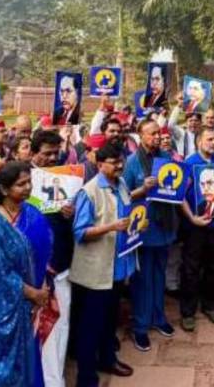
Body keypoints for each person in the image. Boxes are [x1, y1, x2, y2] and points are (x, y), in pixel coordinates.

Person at [70, 142, 137, 386]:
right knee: (91, 325)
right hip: (96, 270)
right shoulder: (89, 191)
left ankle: (108, 359)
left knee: (110, 320)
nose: (120, 165)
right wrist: (112, 226)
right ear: (99, 165)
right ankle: (86, 377)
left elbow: (126, 214)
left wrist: (135, 226)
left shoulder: (121, 184)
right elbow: (80, 232)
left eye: (121, 161)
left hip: (117, 267)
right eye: (114, 162)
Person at [0, 162, 51, 387]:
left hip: (33, 303)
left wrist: (43, 288)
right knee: (7, 370)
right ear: (5, 189)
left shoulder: (33, 213)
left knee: (31, 360)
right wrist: (32, 293)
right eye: (20, 184)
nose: (28, 188)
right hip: (6, 309)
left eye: (29, 182)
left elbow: (46, 251)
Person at [123, 119, 174, 352]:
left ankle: (159, 317)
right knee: (142, 279)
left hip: (164, 226)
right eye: (151, 134)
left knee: (159, 275)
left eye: (158, 133)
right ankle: (141, 326)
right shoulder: (132, 163)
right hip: (143, 227)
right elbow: (124, 196)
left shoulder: (166, 157)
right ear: (140, 135)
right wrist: (142, 189)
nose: (156, 137)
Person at [30, 130, 74, 387]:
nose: (51, 158)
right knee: (36, 331)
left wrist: (69, 213)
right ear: (34, 152)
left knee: (60, 326)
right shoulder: (20, 177)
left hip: (60, 266)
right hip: (32, 273)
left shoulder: (65, 177)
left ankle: (55, 380)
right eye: (46, 153)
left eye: (55, 153)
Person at [180, 129, 214, 332]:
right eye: (209, 139)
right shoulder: (189, 163)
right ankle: (188, 312)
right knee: (191, 268)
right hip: (195, 225)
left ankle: (210, 305)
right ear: (199, 141)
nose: (213, 143)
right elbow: (180, 194)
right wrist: (192, 218)